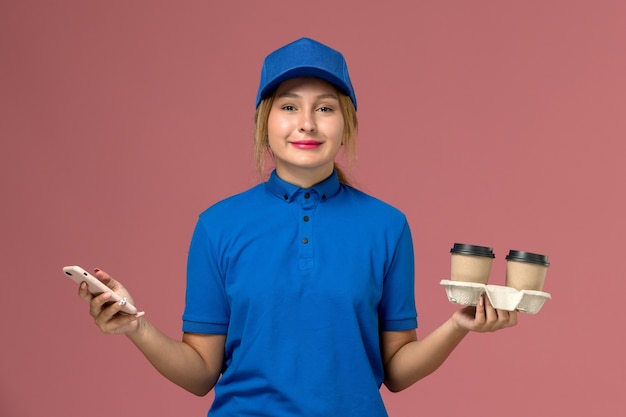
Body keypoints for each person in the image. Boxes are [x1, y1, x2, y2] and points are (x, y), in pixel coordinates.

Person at [79, 37, 517, 416]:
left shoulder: (387, 226)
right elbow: (200, 373)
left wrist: (458, 325)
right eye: (289, 106)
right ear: (263, 123)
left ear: (346, 125)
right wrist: (135, 327)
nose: (307, 122)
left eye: (325, 108)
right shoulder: (217, 226)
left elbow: (396, 370)